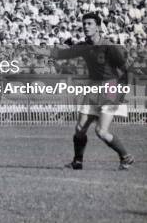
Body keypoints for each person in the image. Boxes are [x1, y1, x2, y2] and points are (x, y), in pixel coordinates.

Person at [49, 12, 134, 170]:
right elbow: (61, 54)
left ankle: (125, 157)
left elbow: (126, 70)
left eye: (90, 23)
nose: (86, 27)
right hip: (93, 88)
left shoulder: (109, 47)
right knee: (79, 129)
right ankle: (77, 162)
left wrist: (122, 92)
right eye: (84, 24)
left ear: (98, 26)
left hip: (110, 88)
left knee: (101, 131)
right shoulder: (84, 46)